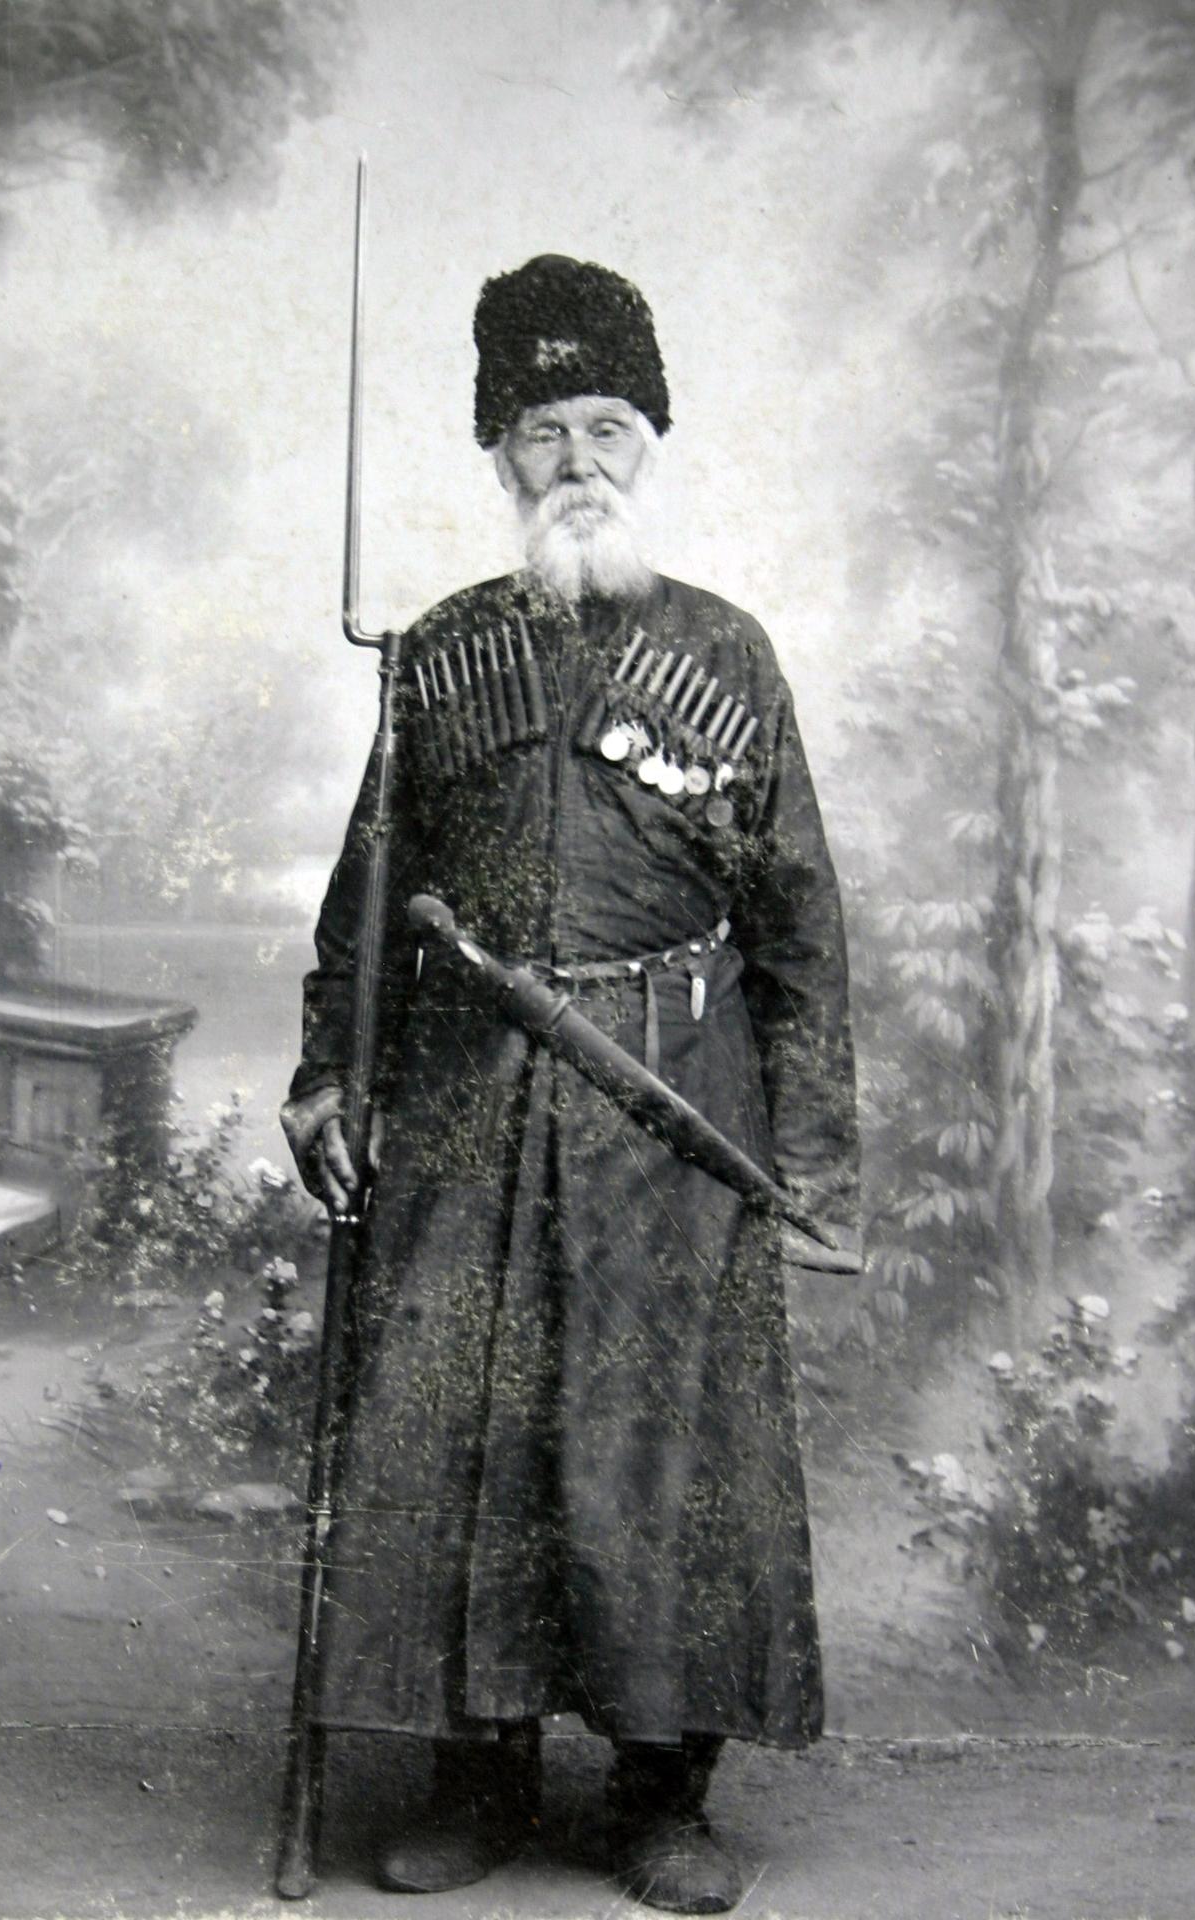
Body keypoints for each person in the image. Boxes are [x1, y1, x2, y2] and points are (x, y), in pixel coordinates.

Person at [280, 253, 860, 1914]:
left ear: (649, 444)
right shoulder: (437, 654)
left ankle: (664, 1799)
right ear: (500, 456)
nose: (577, 459)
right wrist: (329, 1078)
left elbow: (799, 927)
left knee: (663, 1449)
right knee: (474, 1434)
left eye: (607, 424)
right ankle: (479, 1782)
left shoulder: (726, 653)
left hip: (671, 1108)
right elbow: (366, 901)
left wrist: (813, 1161)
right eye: (543, 429)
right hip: (466, 1108)